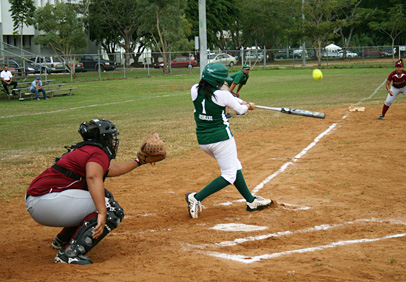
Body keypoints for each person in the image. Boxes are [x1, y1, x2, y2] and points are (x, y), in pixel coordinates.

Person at [25, 119, 155, 265]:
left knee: (102, 196)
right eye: (110, 137)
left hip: (42, 200)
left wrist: (139, 161)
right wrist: (102, 212)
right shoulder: (97, 153)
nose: (112, 141)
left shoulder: (86, 150)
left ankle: (63, 240)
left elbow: (111, 169)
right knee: (111, 208)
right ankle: (70, 254)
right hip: (47, 202)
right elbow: (93, 177)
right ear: (103, 138)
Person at [185, 62, 272, 219]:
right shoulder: (223, 95)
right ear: (216, 80)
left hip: (203, 141)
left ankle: (251, 201)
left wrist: (237, 101)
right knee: (229, 174)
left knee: (235, 166)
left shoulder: (194, 90)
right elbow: (241, 110)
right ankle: (196, 198)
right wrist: (248, 106)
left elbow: (223, 99)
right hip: (221, 140)